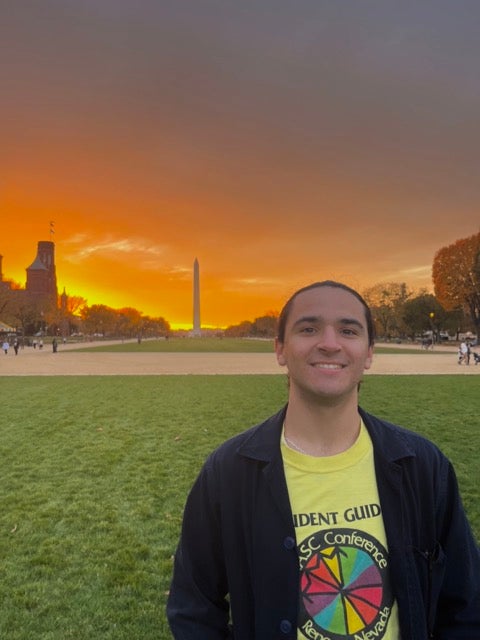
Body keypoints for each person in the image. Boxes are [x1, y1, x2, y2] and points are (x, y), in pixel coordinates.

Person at [167, 280, 480, 640]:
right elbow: (193, 607)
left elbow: (465, 603)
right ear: (280, 349)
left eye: (348, 330)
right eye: (309, 328)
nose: (329, 343)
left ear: (369, 353)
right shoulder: (228, 472)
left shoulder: (424, 466)